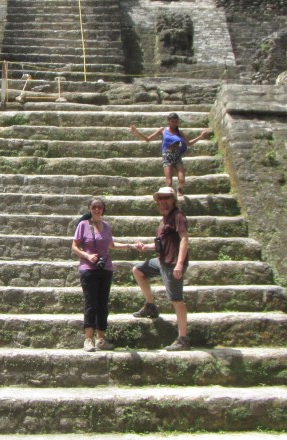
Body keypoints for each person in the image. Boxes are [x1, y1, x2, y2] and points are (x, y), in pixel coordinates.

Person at [131, 186, 192, 351]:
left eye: (167, 198)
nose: (163, 201)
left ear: (173, 199)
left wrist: (179, 264)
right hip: (162, 260)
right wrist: (146, 247)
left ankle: (183, 338)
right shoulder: (165, 218)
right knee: (138, 270)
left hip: (172, 263)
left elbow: (184, 239)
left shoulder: (178, 216)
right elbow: (162, 244)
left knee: (176, 299)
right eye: (161, 198)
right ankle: (150, 305)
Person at [71, 197, 127, 352]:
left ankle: (101, 339)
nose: (97, 210)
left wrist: (130, 245)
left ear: (103, 210)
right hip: (88, 269)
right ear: (89, 209)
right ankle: (88, 339)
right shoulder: (83, 225)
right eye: (94, 207)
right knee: (91, 303)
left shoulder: (106, 226)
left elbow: (111, 245)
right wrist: (88, 256)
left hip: (105, 268)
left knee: (103, 304)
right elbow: (74, 247)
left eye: (100, 207)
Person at [129, 112, 211, 198]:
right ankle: (170, 199)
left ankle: (179, 190)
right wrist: (136, 132)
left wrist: (200, 137)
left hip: (177, 155)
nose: (174, 123)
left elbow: (189, 143)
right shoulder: (163, 130)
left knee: (182, 180)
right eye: (173, 121)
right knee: (169, 182)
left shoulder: (179, 132)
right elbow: (148, 139)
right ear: (169, 121)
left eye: (176, 122)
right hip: (167, 155)